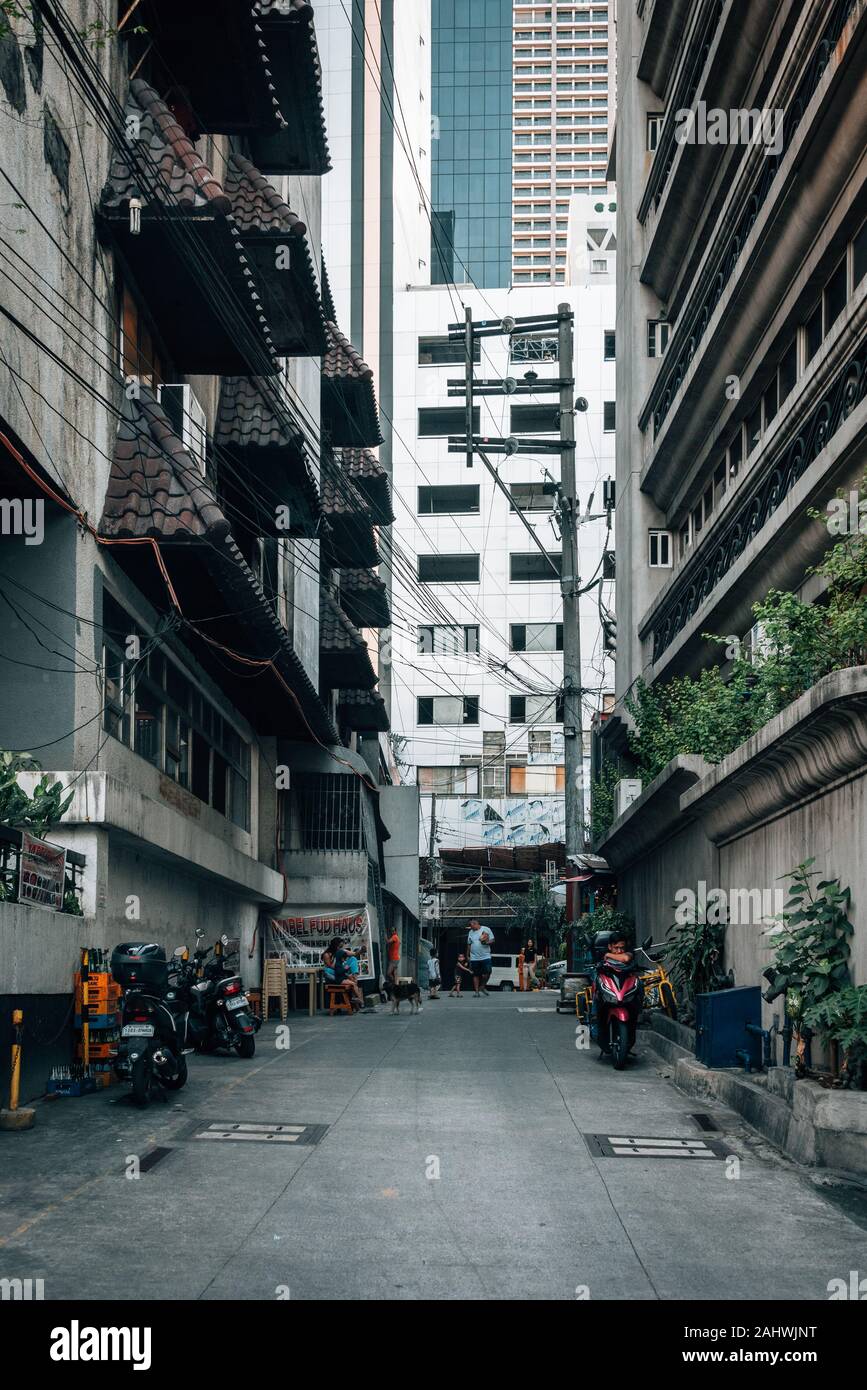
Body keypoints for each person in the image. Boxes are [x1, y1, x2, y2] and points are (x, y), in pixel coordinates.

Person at [328, 936, 364, 1010]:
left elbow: (353, 954)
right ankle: (359, 999)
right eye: (340, 946)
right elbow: (336, 969)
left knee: (353, 959)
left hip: (341, 973)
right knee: (352, 983)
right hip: (335, 975)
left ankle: (356, 995)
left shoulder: (341, 953)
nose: (341, 948)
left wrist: (360, 951)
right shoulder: (331, 955)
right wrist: (345, 970)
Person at [467, 918, 494, 996]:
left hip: (485, 956)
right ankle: (476, 992)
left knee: (488, 972)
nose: (470, 926)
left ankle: (482, 986)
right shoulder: (470, 932)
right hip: (474, 957)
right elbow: (469, 944)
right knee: (476, 974)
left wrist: (486, 942)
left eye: (471, 925)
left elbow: (493, 940)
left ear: (475, 923)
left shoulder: (486, 929)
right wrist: (467, 955)